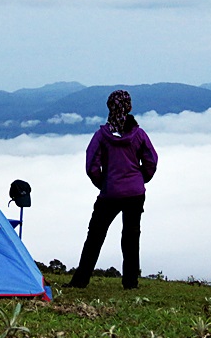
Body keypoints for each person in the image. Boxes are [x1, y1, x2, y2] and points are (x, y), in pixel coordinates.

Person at [67, 89, 158, 290]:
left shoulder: (101, 136)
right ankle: (130, 283)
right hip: (135, 193)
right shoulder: (139, 135)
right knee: (131, 236)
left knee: (95, 235)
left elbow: (92, 165)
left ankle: (80, 281)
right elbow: (151, 160)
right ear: (129, 107)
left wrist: (105, 183)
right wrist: (140, 179)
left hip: (110, 193)